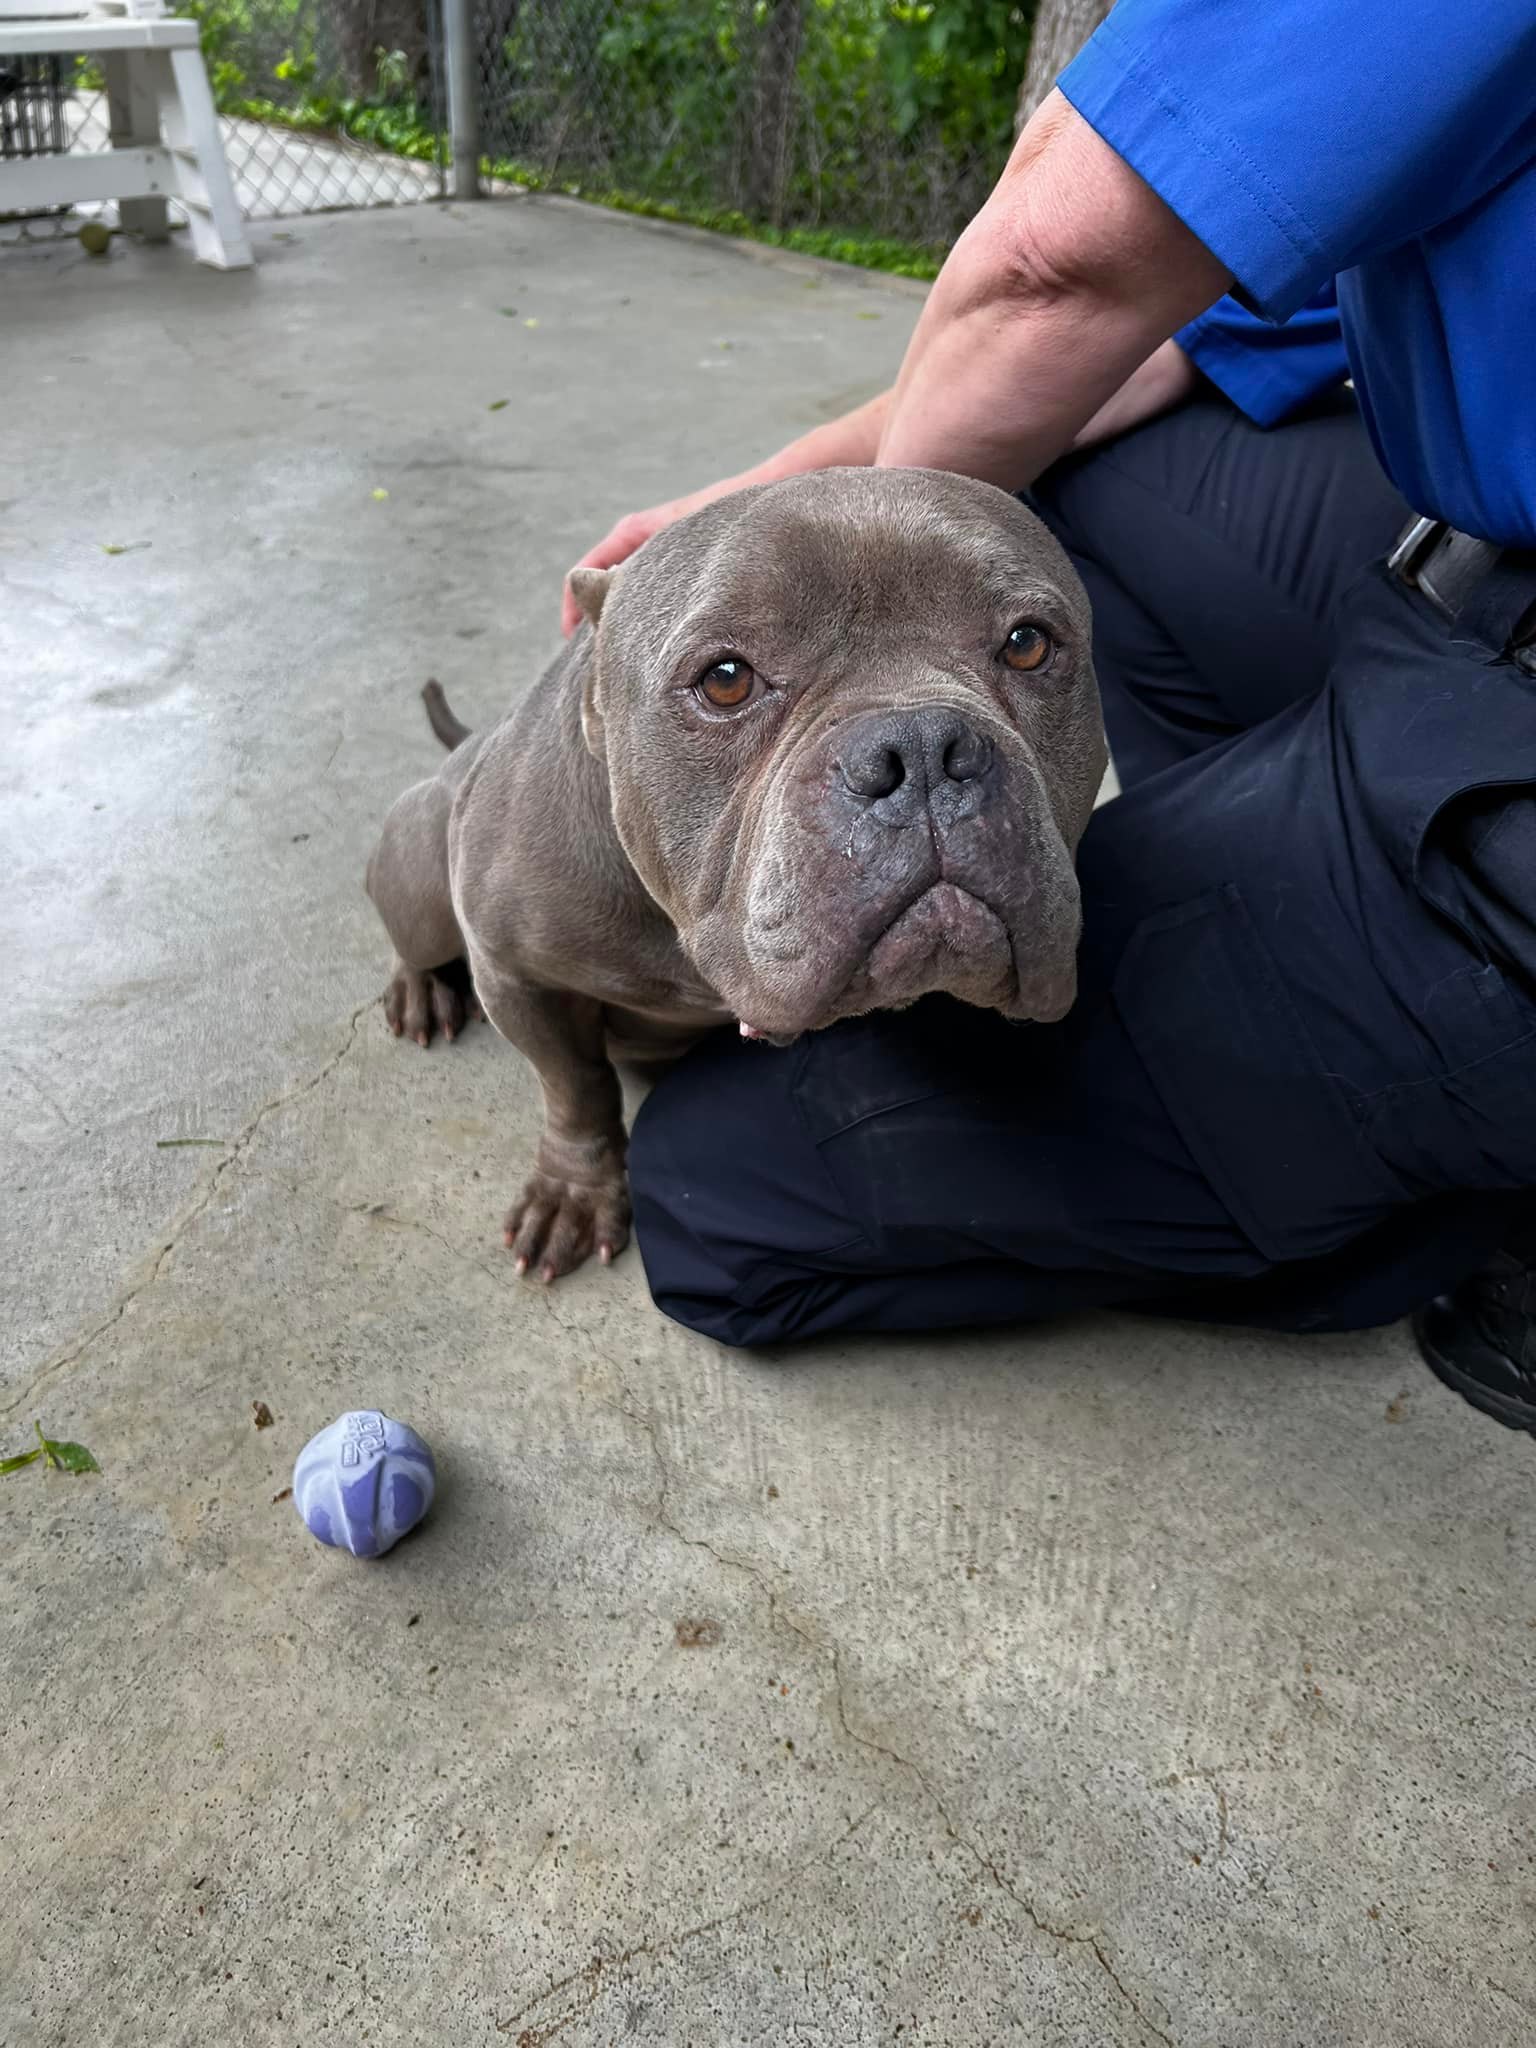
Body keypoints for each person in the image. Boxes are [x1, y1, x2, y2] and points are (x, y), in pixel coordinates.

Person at [562, 0, 1536, 1432]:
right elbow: (1140, 339)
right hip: (1477, 585)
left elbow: (1053, 264)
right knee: (1070, 487)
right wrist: (758, 504)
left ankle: (1431, 1187)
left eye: (1015, 657)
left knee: (706, 1185)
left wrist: (829, 629)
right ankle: (1258, 909)